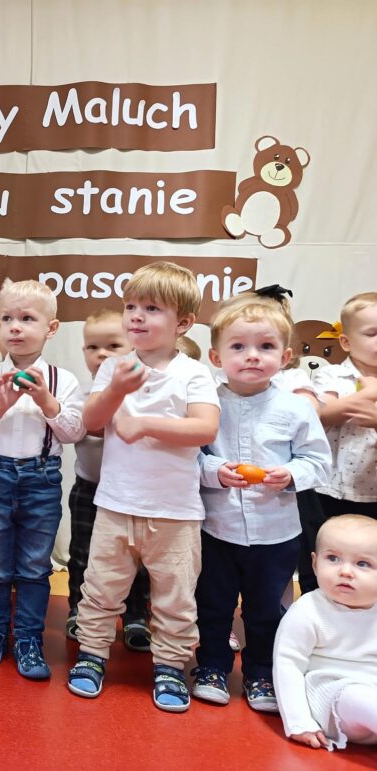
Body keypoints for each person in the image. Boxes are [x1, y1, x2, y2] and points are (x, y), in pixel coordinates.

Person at [67, 261, 220, 712]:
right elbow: (92, 422)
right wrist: (116, 390)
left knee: (175, 597)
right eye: (131, 306)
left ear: (183, 323)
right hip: (116, 505)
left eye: (152, 308)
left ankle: (170, 665)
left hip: (174, 512)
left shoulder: (193, 372)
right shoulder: (115, 367)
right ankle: (92, 654)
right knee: (100, 588)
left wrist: (146, 424)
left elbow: (206, 427)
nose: (136, 315)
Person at [192, 288, 331, 711]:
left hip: (276, 533)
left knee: (266, 609)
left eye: (266, 347)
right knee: (212, 605)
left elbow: (318, 462)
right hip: (216, 529)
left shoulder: (296, 408)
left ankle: (261, 673)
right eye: (238, 347)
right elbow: (189, 457)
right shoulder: (205, 403)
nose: (252, 356)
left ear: (285, 356)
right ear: (216, 357)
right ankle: (211, 665)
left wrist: (291, 475)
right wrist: (215, 471)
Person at [0, 279, 84, 679]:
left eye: (27, 318)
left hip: (42, 479)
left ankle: (29, 639)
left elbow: (74, 431)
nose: (14, 326)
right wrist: (0, 406)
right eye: (6, 318)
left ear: (51, 328)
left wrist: (46, 400)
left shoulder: (63, 379)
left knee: (34, 565)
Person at [65, 309, 152, 652]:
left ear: (133, 347)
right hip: (90, 487)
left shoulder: (144, 394)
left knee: (137, 558)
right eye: (92, 347)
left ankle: (136, 615)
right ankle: (78, 609)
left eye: (113, 346)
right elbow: (85, 426)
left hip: (133, 492)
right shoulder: (82, 393)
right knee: (82, 554)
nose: (101, 354)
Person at [274, 515, 377, 750]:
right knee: (358, 697)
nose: (345, 571)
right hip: (333, 696)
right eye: (333, 558)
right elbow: (287, 665)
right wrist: (299, 722)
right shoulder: (308, 610)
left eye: (362, 564)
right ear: (314, 563)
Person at [306, 293, 377, 586]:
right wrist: (369, 393)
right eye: (372, 333)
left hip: (372, 492)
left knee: (367, 564)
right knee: (319, 557)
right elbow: (321, 414)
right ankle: (313, 607)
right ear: (346, 342)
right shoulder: (331, 376)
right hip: (325, 489)